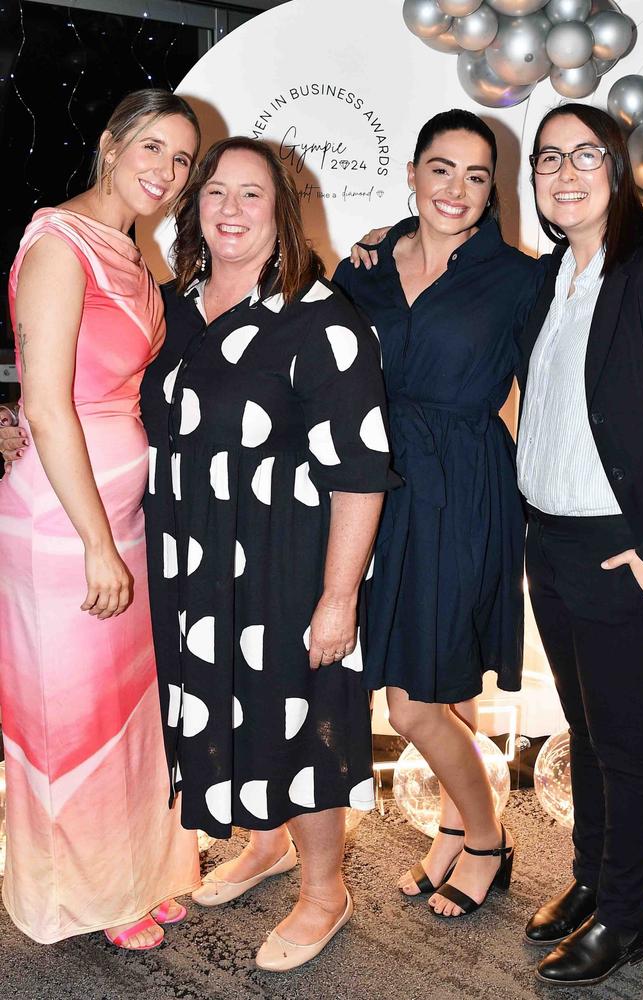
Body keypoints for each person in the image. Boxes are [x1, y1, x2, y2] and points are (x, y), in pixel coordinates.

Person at [140, 135, 396, 970]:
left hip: (287, 563)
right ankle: (265, 845)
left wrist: (339, 596)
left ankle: (326, 890)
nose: (230, 210)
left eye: (252, 195)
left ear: (283, 212)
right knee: (228, 707)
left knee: (298, 718)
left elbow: (361, 472)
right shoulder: (178, 305)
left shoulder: (321, 320)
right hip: (194, 559)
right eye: (215, 192)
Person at [0, 89, 202, 949]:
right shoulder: (58, 242)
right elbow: (46, 407)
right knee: (67, 720)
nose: (165, 171)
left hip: (121, 520)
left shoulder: (129, 249)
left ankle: (135, 872)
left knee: (127, 716)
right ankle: (79, 897)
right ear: (113, 145)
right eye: (152, 147)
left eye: (182, 159)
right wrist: (92, 544)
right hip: (63, 526)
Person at [337, 109, 545, 918]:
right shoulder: (367, 268)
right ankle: (452, 834)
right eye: (441, 168)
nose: (456, 188)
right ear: (414, 174)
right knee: (440, 680)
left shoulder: (521, 278)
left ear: (493, 189)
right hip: (379, 489)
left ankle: (488, 838)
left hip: (464, 488)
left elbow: (555, 392)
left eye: (476, 174)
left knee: (414, 700)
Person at [518, 103, 643, 987]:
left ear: (619, 168)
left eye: (586, 155)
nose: (566, 173)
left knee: (631, 745)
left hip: (616, 547)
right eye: (548, 158)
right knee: (586, 728)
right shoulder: (550, 276)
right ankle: (594, 880)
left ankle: (631, 917)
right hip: (550, 539)